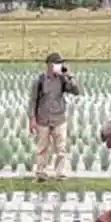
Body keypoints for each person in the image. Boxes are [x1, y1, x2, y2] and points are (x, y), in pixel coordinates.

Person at [28, 52, 80, 181]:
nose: (60, 65)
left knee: (61, 148)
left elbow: (76, 91)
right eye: (58, 63)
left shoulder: (63, 79)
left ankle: (60, 173)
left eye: (61, 63)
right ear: (50, 65)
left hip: (59, 119)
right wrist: (32, 120)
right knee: (42, 148)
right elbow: (33, 101)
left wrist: (70, 76)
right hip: (43, 119)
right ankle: (41, 173)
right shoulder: (39, 81)